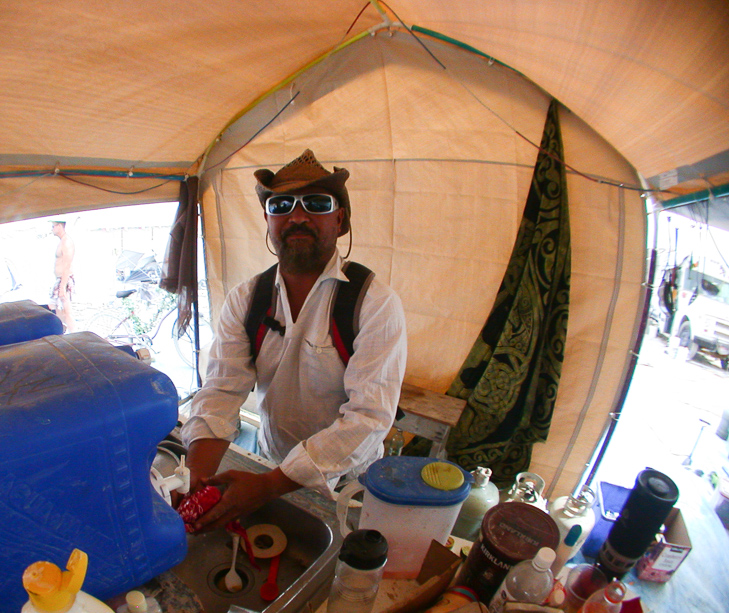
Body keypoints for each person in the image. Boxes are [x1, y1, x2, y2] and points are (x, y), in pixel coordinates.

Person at [179, 150, 407, 532]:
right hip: (270, 464)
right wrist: (196, 480)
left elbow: (369, 419)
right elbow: (221, 391)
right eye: (281, 205)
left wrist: (270, 486)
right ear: (267, 220)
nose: (297, 216)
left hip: (349, 484)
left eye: (316, 204)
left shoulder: (374, 303)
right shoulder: (247, 299)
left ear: (340, 220)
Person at [50, 220, 76, 332]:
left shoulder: (67, 242)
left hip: (64, 279)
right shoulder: (62, 241)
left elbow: (67, 265)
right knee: (56, 309)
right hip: (60, 280)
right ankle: (63, 332)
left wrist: (62, 287)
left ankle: (74, 334)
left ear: (59, 226)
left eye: (53, 226)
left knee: (66, 311)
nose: (51, 229)